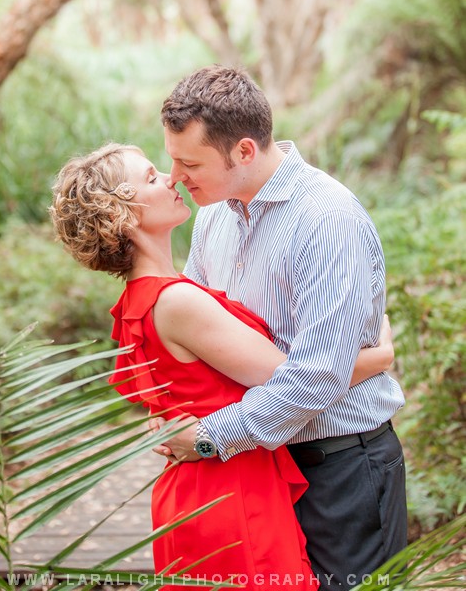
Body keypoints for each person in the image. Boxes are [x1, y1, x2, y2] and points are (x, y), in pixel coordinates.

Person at [49, 142, 393, 591]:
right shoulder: (177, 300)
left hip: (203, 487)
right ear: (123, 216)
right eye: (152, 177)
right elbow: (295, 379)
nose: (171, 178)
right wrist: (380, 357)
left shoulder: (153, 296)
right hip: (229, 493)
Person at [152, 65, 408, 591]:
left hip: (341, 471)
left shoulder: (326, 218)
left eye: (189, 162)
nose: (175, 175)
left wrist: (206, 438)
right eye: (172, 159)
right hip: (260, 474)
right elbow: (205, 350)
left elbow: (315, 379)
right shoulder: (212, 219)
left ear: (244, 151)